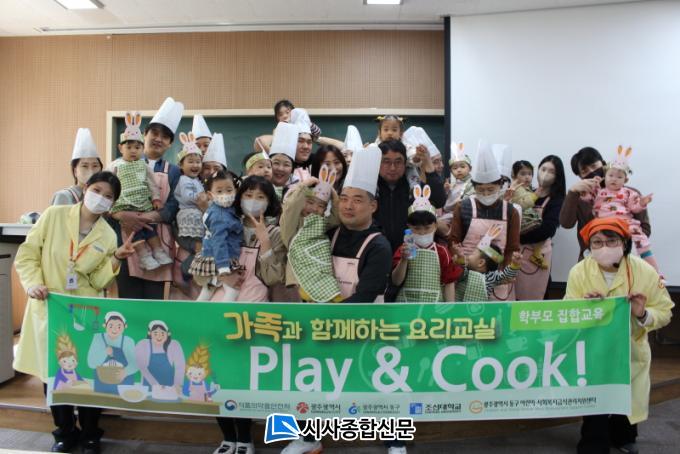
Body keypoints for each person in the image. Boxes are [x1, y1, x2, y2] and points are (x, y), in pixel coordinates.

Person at [14, 171, 137, 454]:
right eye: (97, 190)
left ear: (113, 203)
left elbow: (98, 281)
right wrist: (33, 283)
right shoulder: (54, 215)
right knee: (55, 373)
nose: (101, 198)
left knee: (88, 372)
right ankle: (64, 432)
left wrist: (116, 258)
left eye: (108, 196)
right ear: (85, 188)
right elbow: (28, 254)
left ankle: (91, 433)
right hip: (51, 305)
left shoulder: (107, 234)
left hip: (85, 310)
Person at [282, 144, 393, 454]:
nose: (348, 206)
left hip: (362, 325)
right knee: (311, 382)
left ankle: (394, 441)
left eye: (357, 200)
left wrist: (327, 317)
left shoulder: (379, 245)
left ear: (373, 205)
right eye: (343, 198)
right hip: (324, 323)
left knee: (376, 385)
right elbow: (292, 231)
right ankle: (308, 438)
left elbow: (366, 296)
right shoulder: (328, 233)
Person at [565, 217, 673, 454]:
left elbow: (665, 311)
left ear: (624, 243)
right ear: (589, 246)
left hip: (630, 348)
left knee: (627, 399)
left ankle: (624, 437)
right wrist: (584, 308)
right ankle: (593, 442)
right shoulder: (578, 272)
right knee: (595, 398)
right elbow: (566, 311)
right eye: (597, 242)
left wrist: (642, 313)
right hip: (593, 349)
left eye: (611, 241)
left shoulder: (645, 271)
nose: (604, 247)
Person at [211, 176, 285, 454]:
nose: (253, 201)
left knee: (242, 376)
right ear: (239, 197)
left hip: (253, 308)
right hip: (220, 304)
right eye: (249, 194)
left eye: (261, 196)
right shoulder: (223, 222)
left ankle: (244, 438)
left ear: (269, 201)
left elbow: (274, 277)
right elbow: (201, 265)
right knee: (217, 375)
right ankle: (227, 437)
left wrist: (265, 243)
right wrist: (221, 278)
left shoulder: (275, 231)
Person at [110, 97, 183, 299]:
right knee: (129, 301)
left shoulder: (174, 171)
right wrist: (121, 215)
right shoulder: (118, 165)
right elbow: (107, 198)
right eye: (155, 133)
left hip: (158, 238)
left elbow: (174, 205)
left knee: (154, 303)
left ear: (170, 144)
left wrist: (148, 217)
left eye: (165, 137)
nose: (158, 139)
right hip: (125, 237)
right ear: (145, 134)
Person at [448, 140, 520, 301]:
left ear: (500, 186)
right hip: (464, 276)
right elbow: (454, 241)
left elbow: (512, 247)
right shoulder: (463, 207)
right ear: (473, 187)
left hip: (497, 278)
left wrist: (506, 271)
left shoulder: (511, 211)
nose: (486, 194)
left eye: (491, 190)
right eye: (481, 190)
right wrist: (458, 261)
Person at [580, 146, 660, 276]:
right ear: (604, 177)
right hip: (603, 223)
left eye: (619, 177)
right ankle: (593, 256)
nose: (614, 179)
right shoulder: (598, 191)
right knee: (595, 234)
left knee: (640, 238)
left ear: (625, 180)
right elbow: (588, 198)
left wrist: (641, 203)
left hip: (624, 222)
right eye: (610, 175)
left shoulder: (629, 193)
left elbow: (634, 207)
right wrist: (584, 192)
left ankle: (655, 273)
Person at [559, 146, 651, 259]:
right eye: (585, 171)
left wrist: (617, 244)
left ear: (603, 164)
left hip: (624, 257)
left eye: (594, 166)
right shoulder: (580, 198)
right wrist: (572, 192)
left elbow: (645, 229)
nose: (592, 172)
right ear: (580, 176)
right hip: (591, 259)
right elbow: (566, 224)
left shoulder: (630, 194)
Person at [107, 111, 171, 271]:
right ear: (120, 148)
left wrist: (156, 199)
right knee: (133, 232)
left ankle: (158, 251)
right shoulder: (114, 165)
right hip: (124, 206)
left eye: (137, 147)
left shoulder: (144, 165)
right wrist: (113, 209)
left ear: (142, 148)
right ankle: (144, 256)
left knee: (150, 230)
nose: (133, 151)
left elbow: (152, 184)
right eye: (128, 147)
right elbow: (108, 185)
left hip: (143, 205)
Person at [391, 185, 462, 302]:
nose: (422, 232)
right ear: (409, 227)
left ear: (435, 226)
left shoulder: (442, 252)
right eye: (417, 228)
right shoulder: (404, 249)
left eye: (427, 228)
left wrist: (450, 308)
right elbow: (396, 281)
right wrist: (404, 259)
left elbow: (449, 282)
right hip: (406, 304)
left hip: (434, 305)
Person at [281, 165, 341, 302]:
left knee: (335, 303)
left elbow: (336, 218)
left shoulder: (321, 222)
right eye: (310, 202)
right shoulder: (291, 224)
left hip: (321, 275)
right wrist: (303, 186)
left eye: (321, 206)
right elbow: (291, 206)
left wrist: (334, 196)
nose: (314, 208)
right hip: (299, 278)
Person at [375, 139, 446, 254]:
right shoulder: (371, 189)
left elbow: (439, 200)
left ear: (405, 164)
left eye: (398, 162)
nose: (392, 167)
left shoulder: (414, 187)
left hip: (411, 254)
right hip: (376, 252)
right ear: (377, 162)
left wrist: (428, 164)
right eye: (386, 162)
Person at [514, 155, 566, 300]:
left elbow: (548, 230)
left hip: (538, 255)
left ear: (557, 176)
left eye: (551, 171)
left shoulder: (557, 199)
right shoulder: (527, 193)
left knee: (536, 296)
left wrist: (516, 236)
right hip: (517, 255)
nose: (545, 174)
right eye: (543, 169)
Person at [189, 170, 242, 301]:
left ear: (235, 190)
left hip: (210, 254)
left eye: (229, 190)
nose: (225, 194)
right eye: (219, 191)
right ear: (210, 195)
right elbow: (219, 241)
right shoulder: (220, 216)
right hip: (220, 258)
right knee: (232, 290)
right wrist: (223, 266)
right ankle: (223, 312)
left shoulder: (218, 209)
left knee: (208, 289)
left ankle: (196, 311)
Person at [452, 226, 522, 298]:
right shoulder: (466, 272)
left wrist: (514, 265)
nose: (468, 256)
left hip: (482, 305)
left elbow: (506, 276)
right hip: (459, 305)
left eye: (472, 254)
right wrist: (460, 258)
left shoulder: (492, 276)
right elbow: (460, 272)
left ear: (480, 263)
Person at [174, 132, 209, 262]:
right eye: (190, 162)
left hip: (197, 211)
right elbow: (188, 196)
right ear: (181, 165)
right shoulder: (184, 179)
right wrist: (202, 198)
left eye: (198, 162)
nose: (195, 165)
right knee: (196, 244)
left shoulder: (196, 180)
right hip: (189, 213)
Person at [51, 128, 103, 205]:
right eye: (85, 166)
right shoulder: (64, 196)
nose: (91, 171)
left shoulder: (102, 197)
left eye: (95, 166)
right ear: (75, 171)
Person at [135, 320, 185, 395]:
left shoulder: (174, 345)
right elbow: (142, 367)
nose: (159, 336)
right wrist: (156, 386)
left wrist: (178, 385)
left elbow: (180, 366)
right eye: (155, 333)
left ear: (168, 334)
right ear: (150, 333)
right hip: (149, 388)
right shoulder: (143, 344)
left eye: (162, 333)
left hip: (169, 388)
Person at [267, 122, 299, 200]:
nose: (280, 168)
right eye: (276, 163)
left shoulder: (299, 189)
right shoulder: (258, 185)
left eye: (286, 164)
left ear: (292, 168)